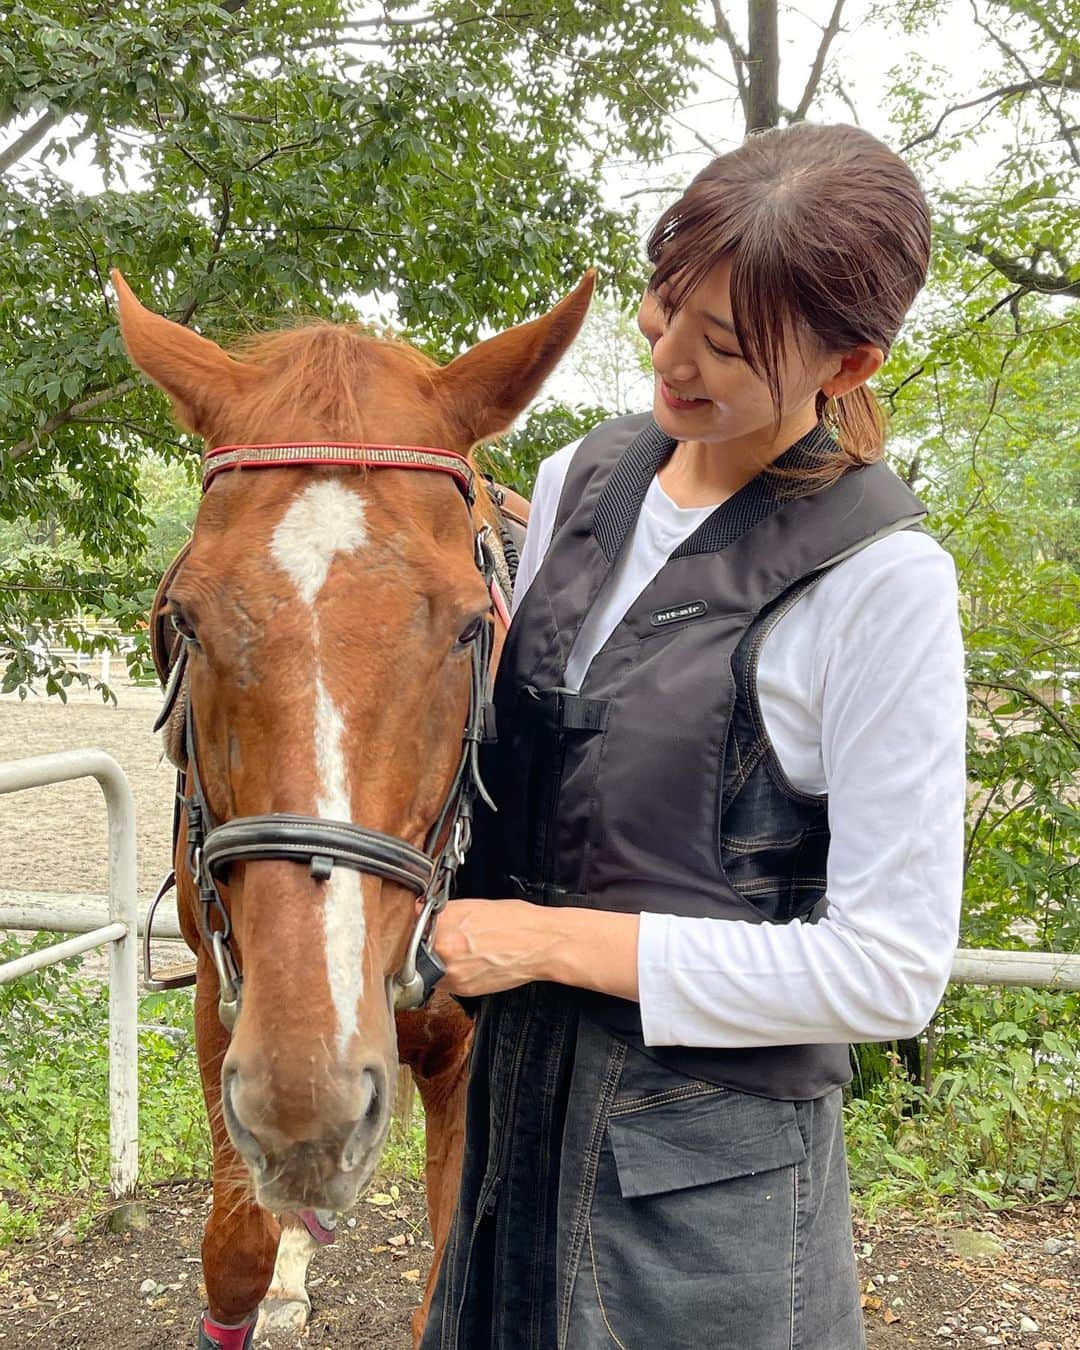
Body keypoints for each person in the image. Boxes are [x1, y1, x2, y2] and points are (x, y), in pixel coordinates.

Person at [421, 122, 967, 1350]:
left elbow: (890, 969)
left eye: (721, 345)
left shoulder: (881, 583)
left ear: (851, 360)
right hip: (512, 1141)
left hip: (699, 1205)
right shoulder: (581, 479)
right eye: (665, 310)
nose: (668, 360)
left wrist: (550, 942)